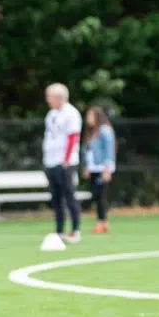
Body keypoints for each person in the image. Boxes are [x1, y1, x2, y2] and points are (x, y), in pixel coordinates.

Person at [42, 83, 82, 243]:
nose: (48, 100)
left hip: (65, 162)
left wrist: (66, 159)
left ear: (59, 97)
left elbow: (73, 136)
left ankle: (75, 230)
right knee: (56, 198)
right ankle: (59, 231)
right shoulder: (51, 114)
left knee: (69, 195)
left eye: (50, 96)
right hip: (51, 161)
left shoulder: (71, 114)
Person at [82, 106, 116, 233]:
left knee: (101, 195)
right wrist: (87, 166)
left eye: (90, 116)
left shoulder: (105, 130)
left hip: (102, 168)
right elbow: (88, 151)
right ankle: (102, 221)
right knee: (96, 196)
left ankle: (102, 222)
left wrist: (107, 168)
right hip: (93, 168)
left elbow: (109, 150)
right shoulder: (91, 132)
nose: (88, 119)